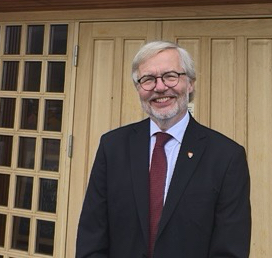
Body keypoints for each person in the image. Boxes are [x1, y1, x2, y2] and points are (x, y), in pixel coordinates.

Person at [76, 41, 252, 258]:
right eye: (148, 79)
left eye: (170, 76)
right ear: (138, 88)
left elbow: (230, 250)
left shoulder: (227, 157)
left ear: (190, 83)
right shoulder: (112, 147)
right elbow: (91, 237)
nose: (159, 87)